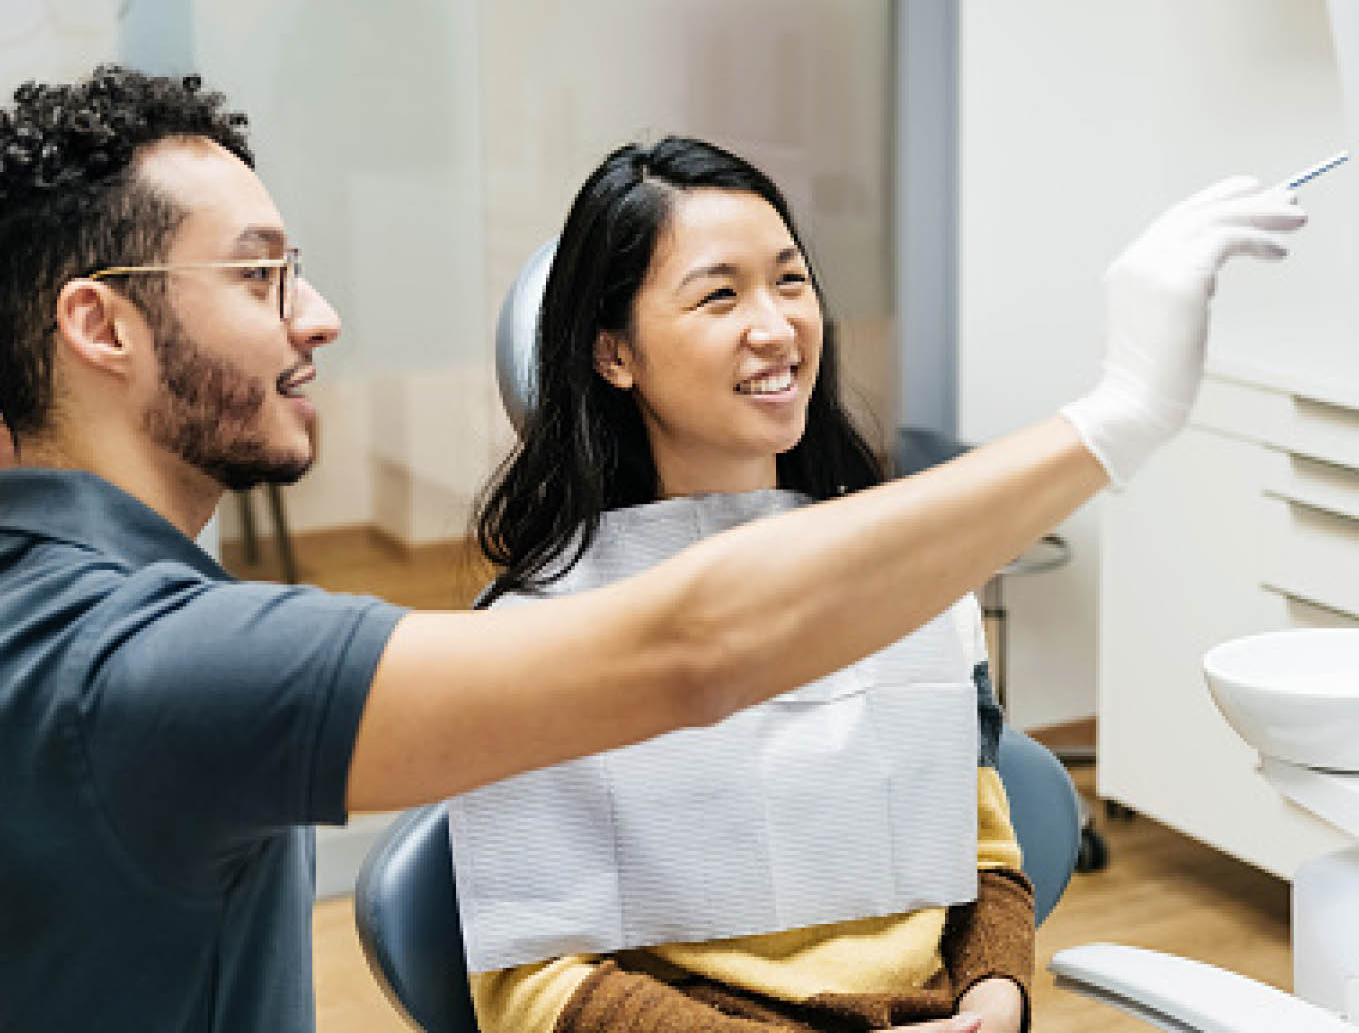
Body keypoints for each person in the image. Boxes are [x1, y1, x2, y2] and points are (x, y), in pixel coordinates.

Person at [0, 65, 1302, 1033]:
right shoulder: (147, 664)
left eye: (789, 279)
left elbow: (971, 840)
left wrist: (991, 996)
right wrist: (1115, 418)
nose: (323, 319)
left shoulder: (123, 613)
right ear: (98, 327)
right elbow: (698, 645)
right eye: (262, 276)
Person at [455, 137, 1030, 1033]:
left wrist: (997, 999)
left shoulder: (904, 580)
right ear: (615, 355)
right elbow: (528, 987)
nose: (775, 326)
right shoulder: (536, 634)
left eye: (790, 281)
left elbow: (986, 862)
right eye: (719, 294)